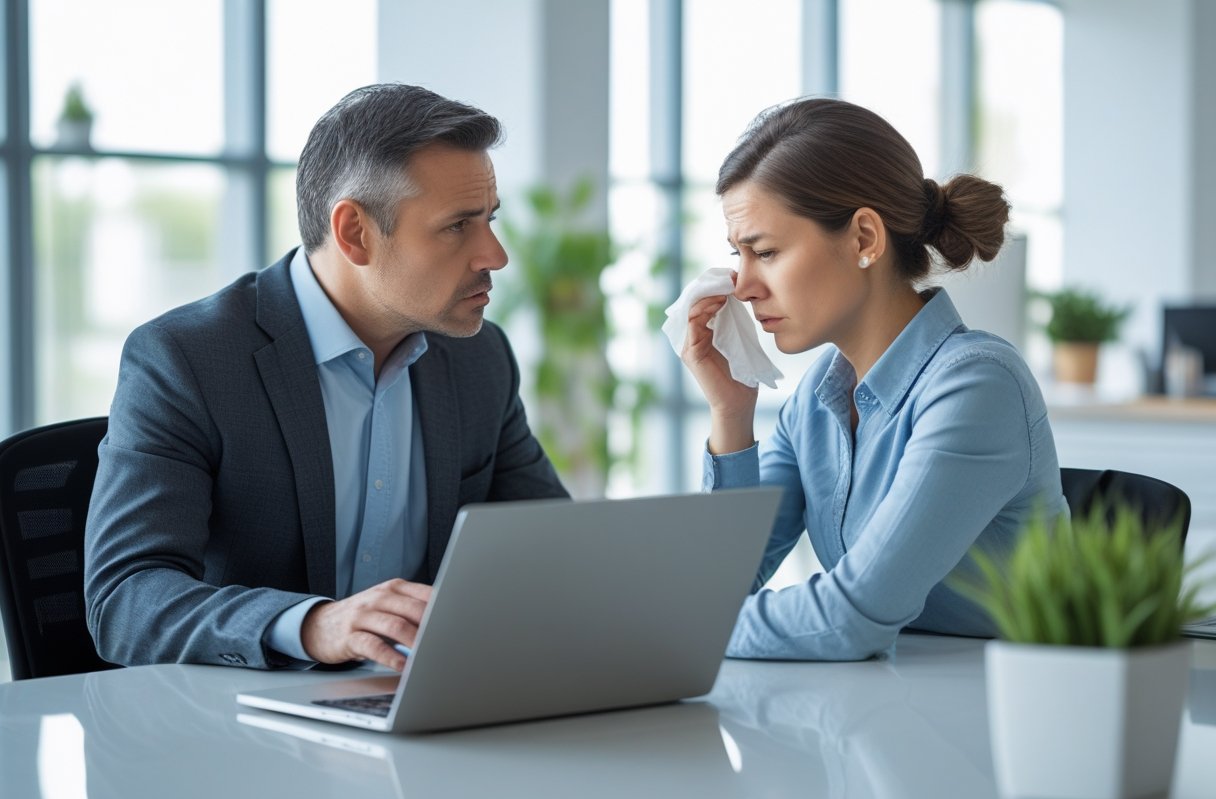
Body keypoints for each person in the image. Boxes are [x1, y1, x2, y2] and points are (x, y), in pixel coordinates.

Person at [84, 84, 568, 672]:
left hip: (416, 712)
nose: (495, 254)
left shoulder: (478, 359)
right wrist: (314, 625)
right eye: (457, 226)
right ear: (355, 232)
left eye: (489, 220)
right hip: (239, 729)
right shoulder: (187, 360)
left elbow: (555, 552)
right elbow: (126, 598)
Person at [682, 98, 1067, 661]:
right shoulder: (814, 401)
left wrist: (668, 627)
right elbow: (716, 591)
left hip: (1002, 720)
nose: (741, 285)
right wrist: (731, 414)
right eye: (737, 255)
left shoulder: (978, 387)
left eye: (764, 251)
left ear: (864, 238)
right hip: (881, 712)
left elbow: (850, 618)